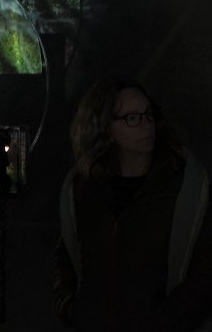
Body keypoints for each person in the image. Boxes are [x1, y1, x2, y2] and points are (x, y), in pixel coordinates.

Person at [53, 79, 212, 332]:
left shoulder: (184, 187)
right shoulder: (83, 189)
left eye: (148, 115)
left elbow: (204, 271)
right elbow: (66, 256)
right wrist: (70, 308)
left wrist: (166, 322)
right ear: (105, 128)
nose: (146, 125)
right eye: (132, 118)